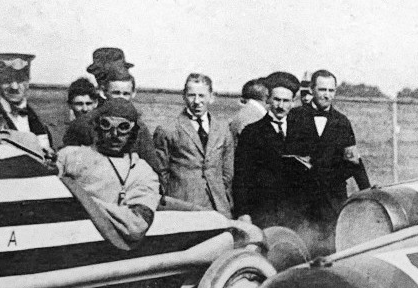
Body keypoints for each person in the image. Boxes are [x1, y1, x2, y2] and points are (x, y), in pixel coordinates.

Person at [56, 98, 160, 242]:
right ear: (98, 127)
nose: (115, 134)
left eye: (123, 127)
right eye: (107, 125)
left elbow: (137, 224)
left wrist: (81, 200)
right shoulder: (69, 156)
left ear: (133, 132)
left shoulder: (142, 172)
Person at [283, 69, 371, 235]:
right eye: (322, 90)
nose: (327, 95)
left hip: (333, 200)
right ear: (312, 89)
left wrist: (367, 191)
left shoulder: (342, 121)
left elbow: (353, 160)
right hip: (301, 200)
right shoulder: (294, 117)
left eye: (331, 90)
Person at [153, 73, 235, 216]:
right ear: (184, 96)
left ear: (211, 97)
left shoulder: (223, 129)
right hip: (182, 204)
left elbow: (227, 172)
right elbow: (160, 171)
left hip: (217, 204)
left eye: (202, 96)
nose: (197, 101)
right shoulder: (168, 129)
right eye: (192, 95)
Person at [62, 56, 162, 173]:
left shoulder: (139, 128)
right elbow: (68, 163)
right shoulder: (83, 124)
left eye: (125, 94)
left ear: (133, 94)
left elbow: (152, 168)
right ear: (103, 92)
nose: (121, 98)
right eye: (116, 93)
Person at [234, 71, 299, 225]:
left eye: (286, 101)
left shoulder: (301, 131)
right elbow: (241, 176)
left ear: (293, 102)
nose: (280, 106)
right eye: (276, 100)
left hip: (295, 213)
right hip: (262, 212)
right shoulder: (251, 132)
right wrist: (243, 212)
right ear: (268, 99)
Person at [0, 53, 52, 154]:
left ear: (28, 81)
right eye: (7, 80)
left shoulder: (40, 121)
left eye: (20, 80)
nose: (14, 87)